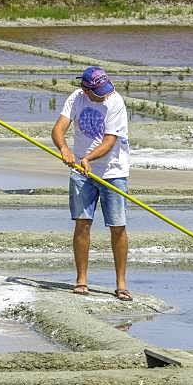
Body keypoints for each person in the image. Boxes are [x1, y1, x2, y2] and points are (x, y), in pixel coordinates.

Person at [50, 66, 132, 302]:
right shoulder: (76, 99)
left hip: (113, 171)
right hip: (80, 172)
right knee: (82, 223)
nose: (103, 94)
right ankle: (81, 280)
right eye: (98, 91)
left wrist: (87, 158)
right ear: (86, 89)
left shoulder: (115, 102)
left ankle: (121, 284)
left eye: (105, 90)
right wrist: (64, 148)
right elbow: (58, 129)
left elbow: (109, 141)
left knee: (117, 226)